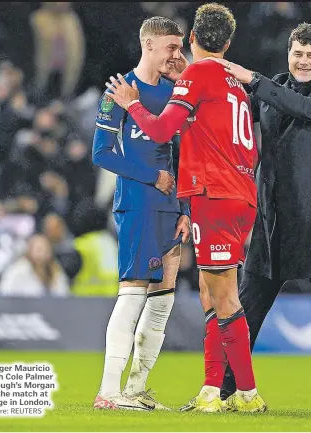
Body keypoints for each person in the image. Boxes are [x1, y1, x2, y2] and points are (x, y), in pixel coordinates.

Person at [207, 23, 311, 411]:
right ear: (289, 53)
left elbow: (308, 109)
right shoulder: (269, 91)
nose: (303, 61)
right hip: (274, 222)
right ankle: (224, 388)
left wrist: (253, 79)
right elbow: (232, 111)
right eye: (298, 53)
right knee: (245, 310)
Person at [104, 3, 266, 413]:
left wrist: (131, 104)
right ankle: (212, 389)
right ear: (227, 43)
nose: (176, 55)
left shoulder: (197, 75)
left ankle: (246, 393)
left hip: (213, 194)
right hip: (237, 191)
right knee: (210, 294)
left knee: (223, 296)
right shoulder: (235, 80)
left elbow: (159, 129)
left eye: (181, 45)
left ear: (193, 38)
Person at [91, 16, 191, 411]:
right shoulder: (119, 91)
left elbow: (181, 157)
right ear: (147, 45)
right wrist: (153, 177)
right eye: (170, 47)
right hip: (139, 202)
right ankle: (109, 391)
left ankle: (136, 389)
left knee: (162, 299)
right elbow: (101, 153)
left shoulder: (175, 91)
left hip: (170, 207)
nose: (176, 54)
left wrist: (183, 207)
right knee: (132, 293)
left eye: (180, 47)